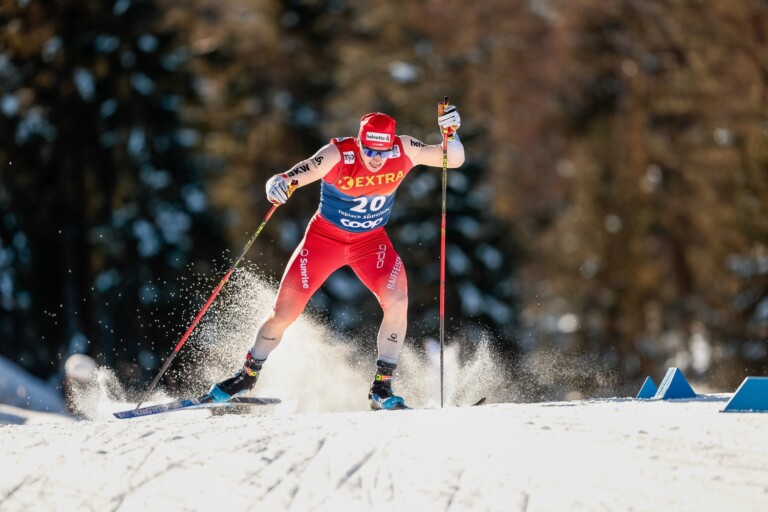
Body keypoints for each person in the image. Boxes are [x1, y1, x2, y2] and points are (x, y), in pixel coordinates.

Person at [208, 103, 464, 410]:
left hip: (371, 242)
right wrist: (278, 184)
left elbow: (453, 159)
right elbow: (297, 173)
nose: (376, 159)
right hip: (324, 241)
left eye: (382, 153)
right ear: (359, 142)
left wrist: (451, 134)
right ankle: (246, 376)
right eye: (369, 151)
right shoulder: (338, 155)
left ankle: (382, 387)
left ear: (392, 145)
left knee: (397, 300)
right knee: (284, 313)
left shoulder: (405, 149)